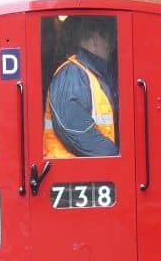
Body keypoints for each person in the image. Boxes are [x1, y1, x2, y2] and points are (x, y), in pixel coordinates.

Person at [43, 17, 118, 157]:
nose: (111, 48)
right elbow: (76, 130)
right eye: (109, 41)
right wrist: (114, 154)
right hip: (69, 174)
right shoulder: (72, 73)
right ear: (96, 40)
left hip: (88, 174)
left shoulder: (90, 74)